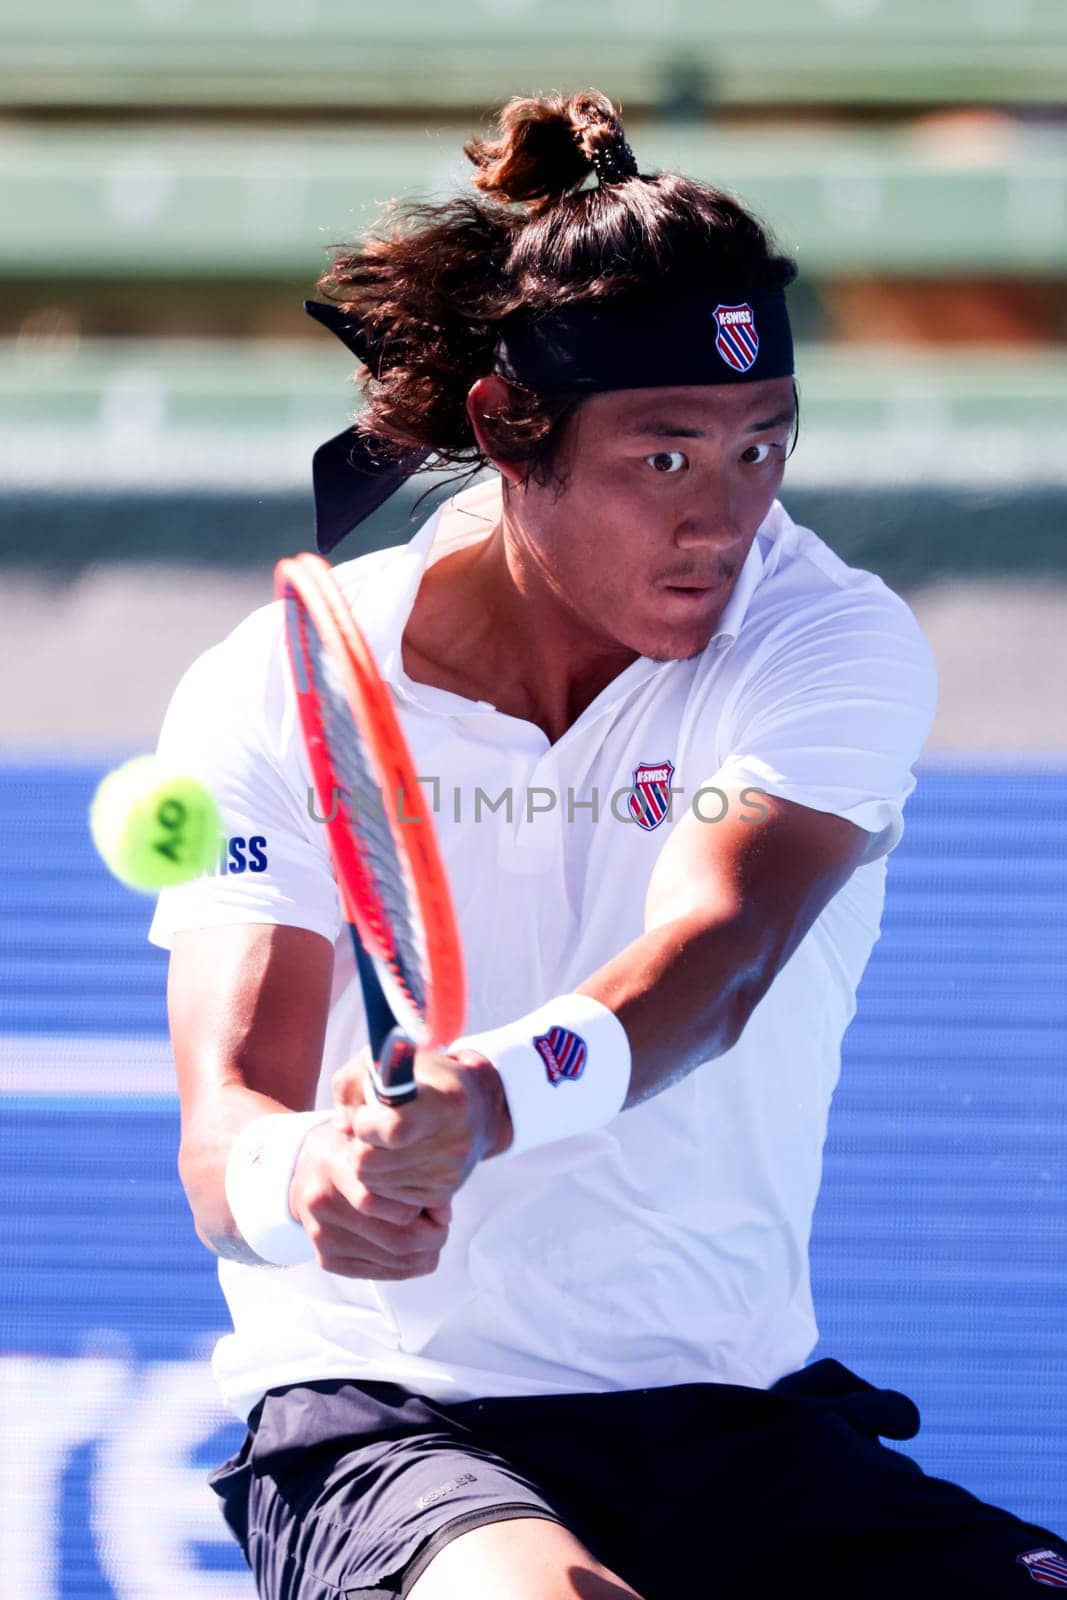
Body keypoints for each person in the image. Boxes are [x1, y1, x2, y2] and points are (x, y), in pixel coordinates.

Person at [148, 91, 1067, 1600]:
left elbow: (716, 964)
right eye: (665, 459)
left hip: (736, 1417)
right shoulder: (277, 685)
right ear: (513, 432)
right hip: (392, 1425)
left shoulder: (827, 636)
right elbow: (221, 1138)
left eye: (764, 448)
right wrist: (309, 1173)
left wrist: (484, 1101)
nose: (726, 517)